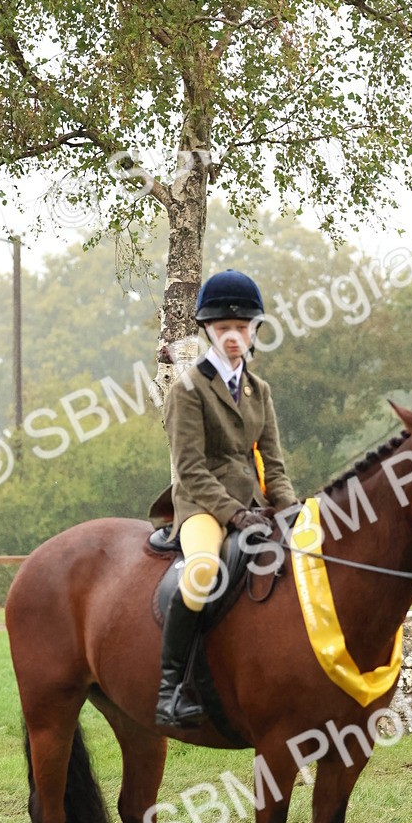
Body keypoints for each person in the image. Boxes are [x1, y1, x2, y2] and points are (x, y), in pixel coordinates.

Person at [149, 269, 298, 728]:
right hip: (201, 507)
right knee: (201, 573)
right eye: (224, 328)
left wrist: (291, 511)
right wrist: (233, 513)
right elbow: (190, 469)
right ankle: (170, 690)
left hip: (252, 507)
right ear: (208, 330)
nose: (234, 335)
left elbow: (272, 464)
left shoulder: (260, 391)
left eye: (243, 327)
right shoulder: (188, 389)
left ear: (255, 330)